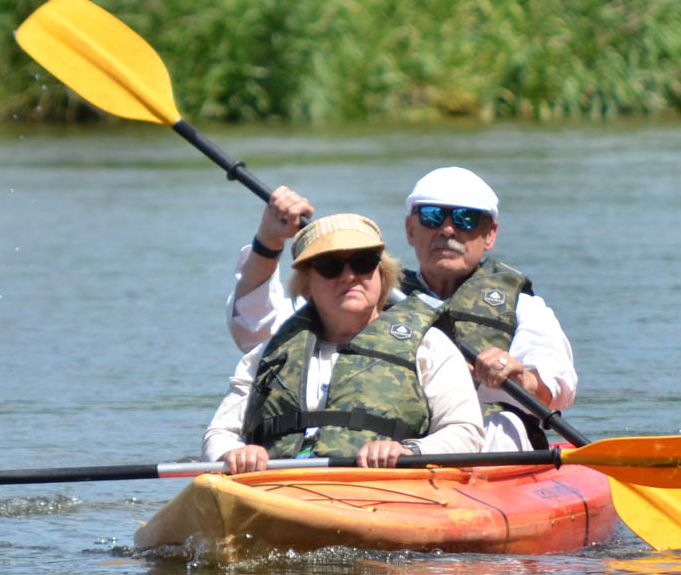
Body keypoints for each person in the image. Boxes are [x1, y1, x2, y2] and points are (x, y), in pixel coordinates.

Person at [224, 167, 576, 451]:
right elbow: (258, 332)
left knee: (502, 424)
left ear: (490, 234)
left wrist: (516, 376)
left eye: (467, 219)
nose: (448, 229)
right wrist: (269, 243)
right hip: (394, 446)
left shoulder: (523, 307)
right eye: (432, 216)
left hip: (488, 447)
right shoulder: (364, 292)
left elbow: (557, 390)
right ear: (410, 229)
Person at [204, 214, 484, 473]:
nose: (349, 275)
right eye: (330, 266)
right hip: (279, 487)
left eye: (363, 263)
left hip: (386, 488)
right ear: (306, 285)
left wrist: (409, 450)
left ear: (381, 274)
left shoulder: (430, 346)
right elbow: (220, 435)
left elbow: (464, 431)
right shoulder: (268, 354)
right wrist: (234, 454)